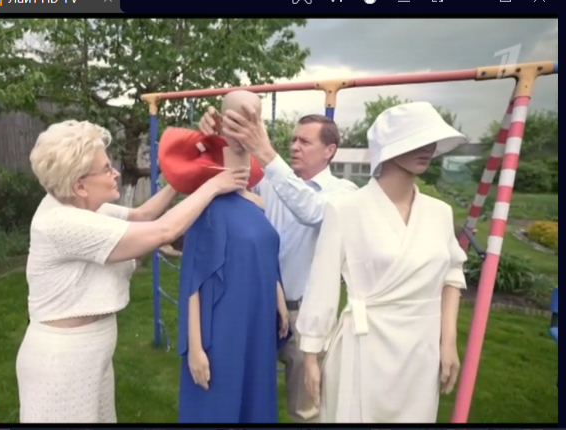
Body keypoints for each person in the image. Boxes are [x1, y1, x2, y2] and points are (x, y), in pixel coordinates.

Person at [15, 119, 249, 423]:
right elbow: (163, 231)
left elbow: (143, 215)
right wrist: (213, 185)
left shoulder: (82, 205)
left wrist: (188, 171)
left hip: (91, 351)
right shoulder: (62, 223)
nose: (115, 173)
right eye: (106, 169)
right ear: (79, 185)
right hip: (61, 362)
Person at [297, 101, 469, 422]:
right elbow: (322, 286)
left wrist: (448, 342)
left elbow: (451, 275)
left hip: (422, 351)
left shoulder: (440, 213)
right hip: (365, 345)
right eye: (418, 139)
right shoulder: (345, 210)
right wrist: (310, 355)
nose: (428, 148)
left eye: (431, 140)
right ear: (389, 146)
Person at [200, 102, 357, 423]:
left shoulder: (345, 193)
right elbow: (224, 181)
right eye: (294, 139)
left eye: (305, 141)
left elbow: (311, 211)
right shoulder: (269, 180)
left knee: (307, 410)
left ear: (330, 151)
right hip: (257, 307)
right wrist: (215, 139)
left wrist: (267, 153)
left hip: (306, 315)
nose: (295, 146)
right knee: (247, 398)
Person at [164, 91, 290, 423]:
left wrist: (278, 298)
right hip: (223, 324)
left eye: (253, 118)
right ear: (222, 122)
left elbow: (265, 253)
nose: (246, 126)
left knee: (255, 399)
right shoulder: (207, 203)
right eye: (237, 118)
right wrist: (195, 347)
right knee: (219, 403)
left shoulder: (258, 202)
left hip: (258, 318)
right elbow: (191, 280)